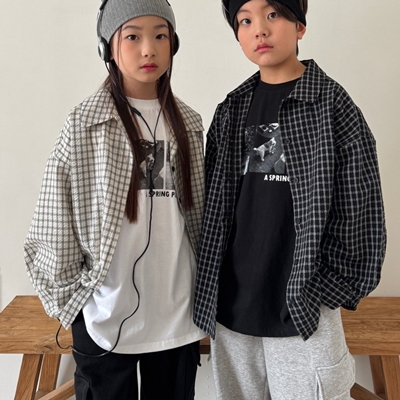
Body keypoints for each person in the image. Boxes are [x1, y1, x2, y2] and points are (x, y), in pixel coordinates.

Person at [193, 0, 386, 399]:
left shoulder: (332, 105)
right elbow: (211, 209)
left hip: (303, 309)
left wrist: (324, 291)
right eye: (245, 20)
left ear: (299, 26)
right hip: (233, 309)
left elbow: (361, 210)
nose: (259, 29)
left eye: (272, 15)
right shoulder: (231, 109)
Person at [24, 0, 206, 399]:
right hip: (104, 316)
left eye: (161, 36)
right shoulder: (84, 123)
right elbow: (54, 219)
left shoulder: (189, 123)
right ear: (107, 47)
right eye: (133, 37)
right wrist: (72, 302)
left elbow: (200, 218)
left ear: (174, 44)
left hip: (177, 314)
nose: (149, 49)